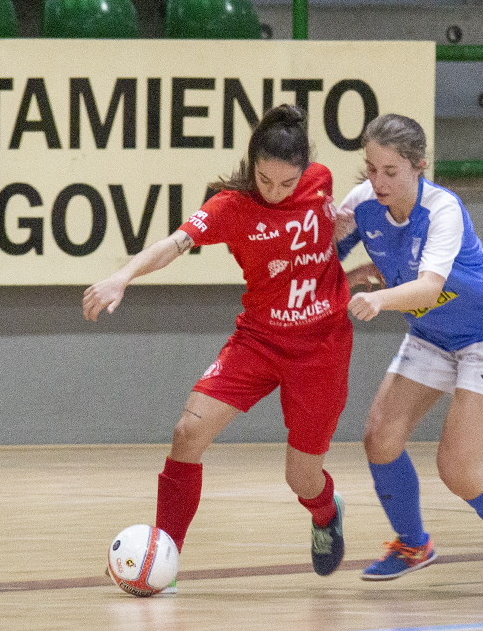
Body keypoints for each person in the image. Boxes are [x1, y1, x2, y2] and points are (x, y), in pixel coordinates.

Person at [83, 104, 352, 581]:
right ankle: (163, 554)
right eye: (264, 180)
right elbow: (172, 244)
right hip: (259, 341)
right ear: (252, 165)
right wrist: (121, 277)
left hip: (321, 347)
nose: (274, 191)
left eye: (286, 184)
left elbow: (326, 236)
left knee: (302, 478)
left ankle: (326, 513)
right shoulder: (230, 207)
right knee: (188, 432)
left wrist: (350, 262)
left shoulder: (323, 180)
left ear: (305, 171)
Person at [335, 114, 483, 593]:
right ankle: (413, 544)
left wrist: (376, 298)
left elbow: (428, 287)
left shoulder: (443, 210)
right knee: (380, 439)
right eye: (372, 169)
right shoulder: (362, 205)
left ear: (419, 167)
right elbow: (320, 253)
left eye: (391, 172)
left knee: (456, 466)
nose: (379, 181)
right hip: (433, 334)